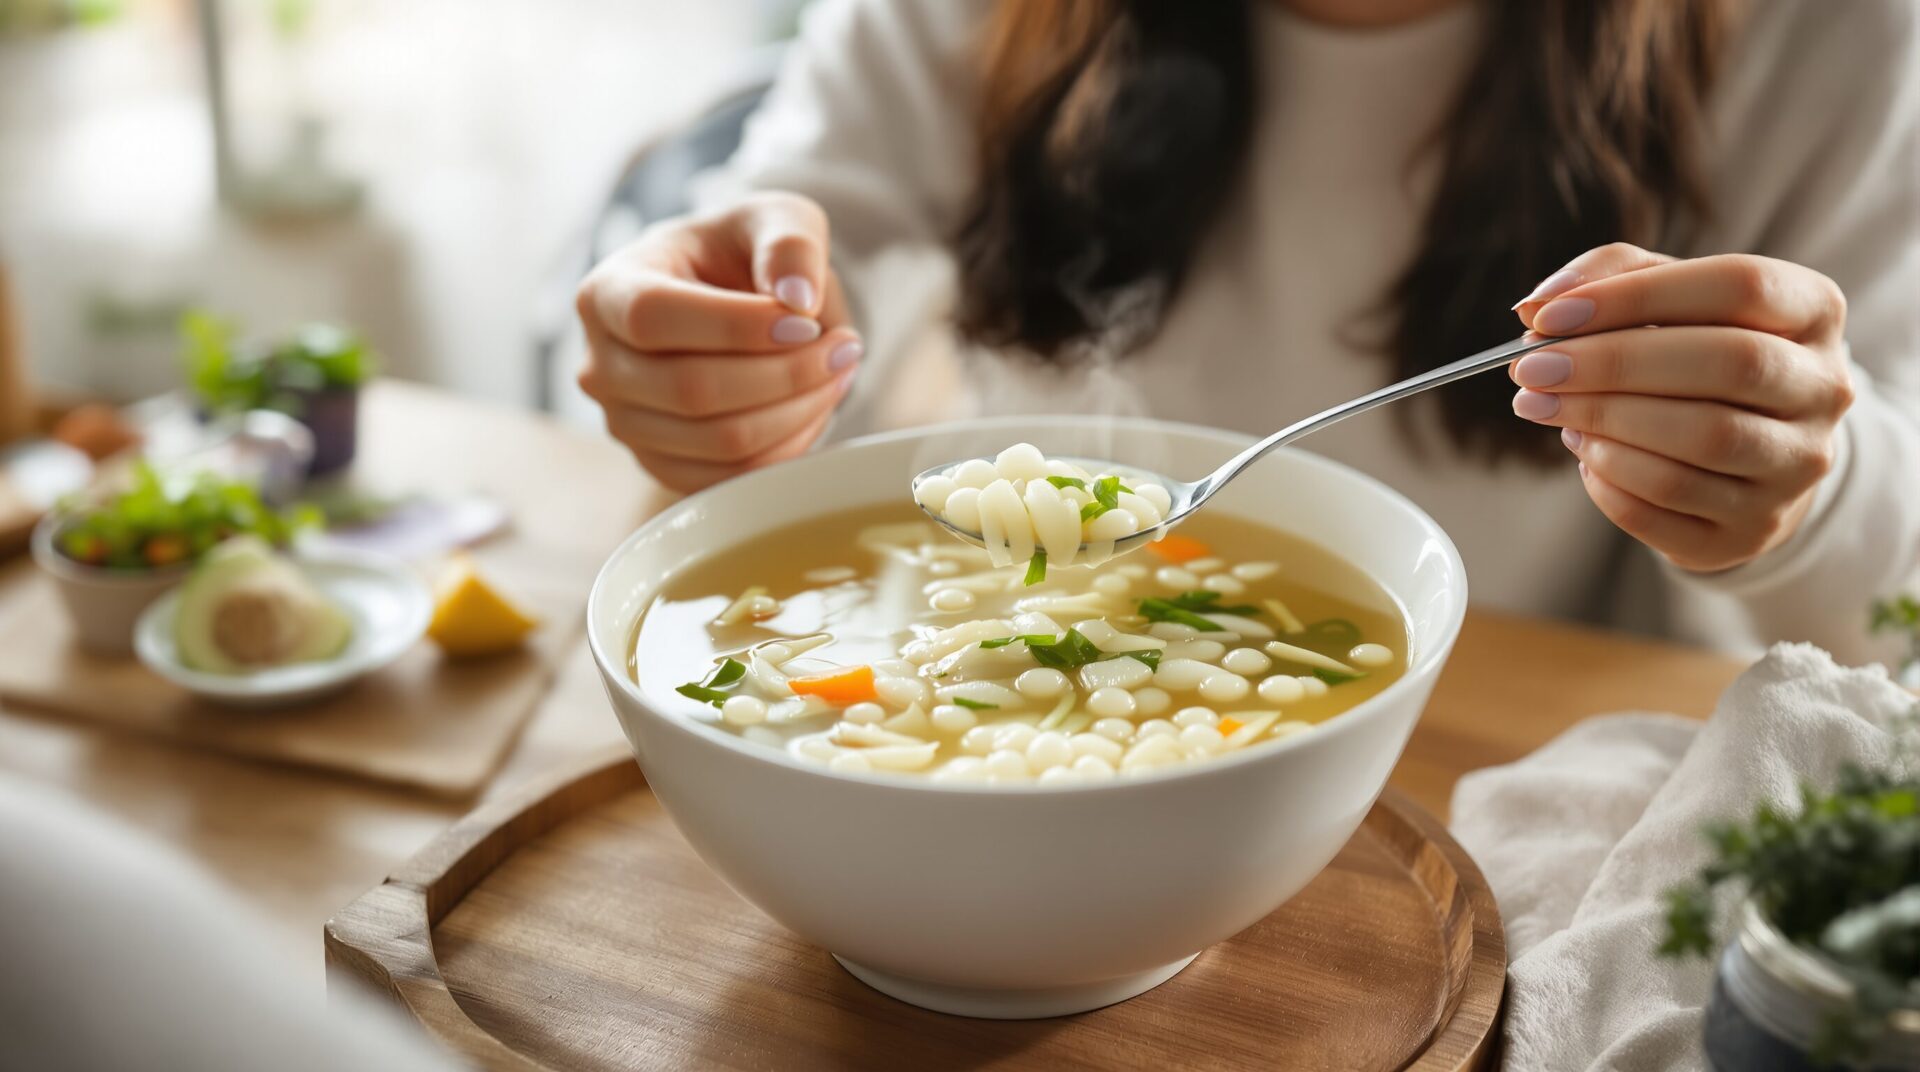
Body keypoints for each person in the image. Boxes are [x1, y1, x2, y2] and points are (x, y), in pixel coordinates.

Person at [574, 0, 1919, 663]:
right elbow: (808, 238)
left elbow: (1896, 611)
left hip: (1521, 774)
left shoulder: (1829, 36)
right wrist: (725, 349)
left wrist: (1814, 489)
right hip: (1009, 665)